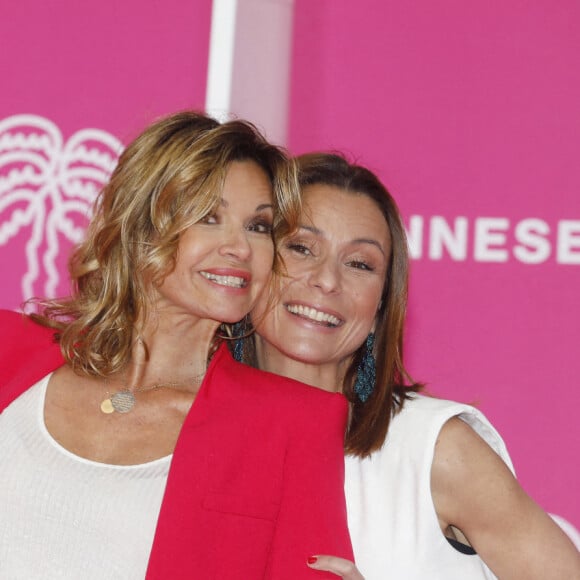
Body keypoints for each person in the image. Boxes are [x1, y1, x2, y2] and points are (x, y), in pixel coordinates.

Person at [0, 114, 353, 579]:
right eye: (209, 217)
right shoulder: (10, 348)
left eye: (259, 227)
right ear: (141, 226)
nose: (240, 248)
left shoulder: (290, 426)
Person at [241, 152, 580, 579]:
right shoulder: (180, 434)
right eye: (301, 248)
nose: (327, 280)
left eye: (360, 264)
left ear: (382, 303)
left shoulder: (437, 451)